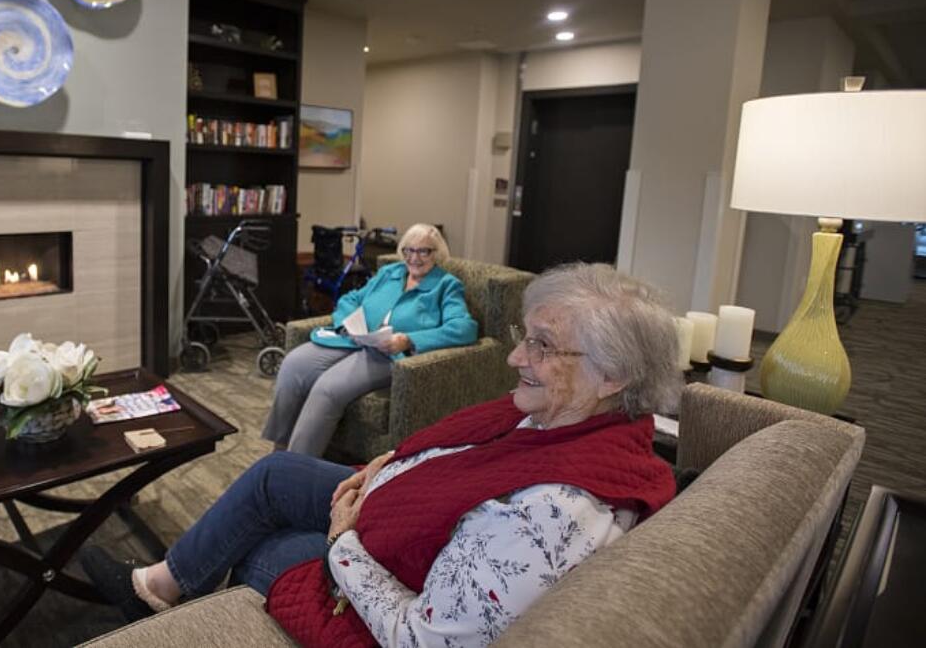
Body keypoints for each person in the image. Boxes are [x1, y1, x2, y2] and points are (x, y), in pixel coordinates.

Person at [81, 263, 681, 647]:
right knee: (273, 474)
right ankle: (157, 586)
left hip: (389, 563)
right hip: (397, 499)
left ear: (615, 376)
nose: (515, 358)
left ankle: (180, 610)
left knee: (266, 547)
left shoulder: (546, 514)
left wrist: (343, 539)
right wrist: (393, 460)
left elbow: (425, 636)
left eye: (542, 345)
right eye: (526, 336)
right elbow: (470, 451)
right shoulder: (563, 416)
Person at [261, 223, 477, 457]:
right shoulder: (390, 273)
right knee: (294, 364)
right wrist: (347, 323)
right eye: (409, 250)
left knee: (328, 388)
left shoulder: (446, 285)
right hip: (353, 340)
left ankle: (295, 466)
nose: (414, 258)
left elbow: (463, 328)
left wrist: (408, 340)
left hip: (388, 354)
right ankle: (278, 450)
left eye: (423, 251)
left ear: (437, 254)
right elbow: (352, 298)